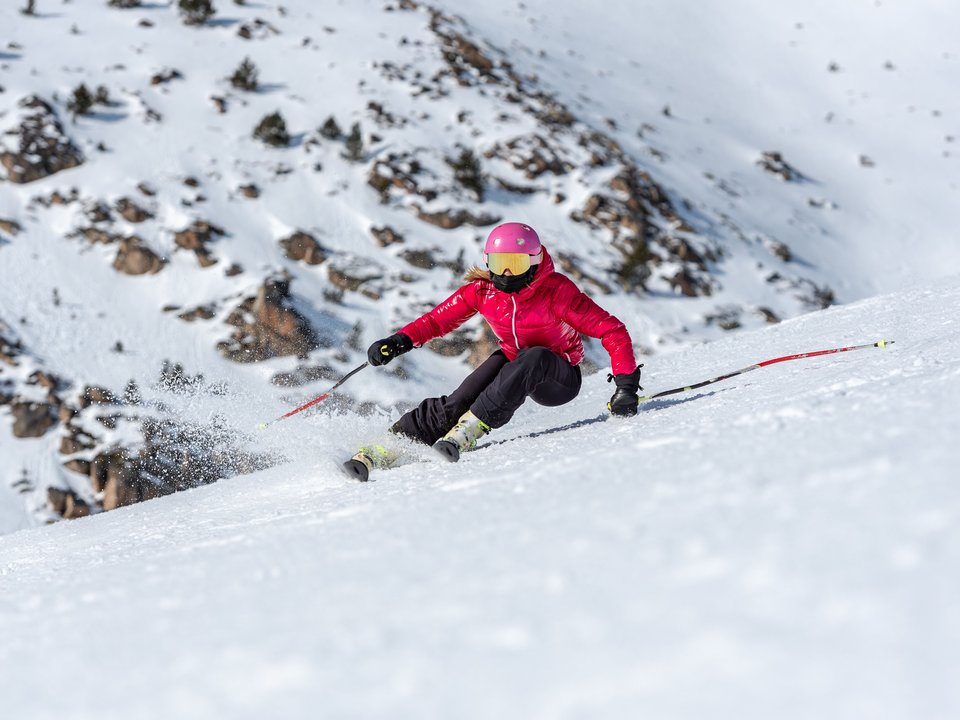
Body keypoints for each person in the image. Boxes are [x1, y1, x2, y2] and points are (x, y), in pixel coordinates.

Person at [343, 222, 643, 480]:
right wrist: (398, 342)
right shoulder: (483, 291)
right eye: (500, 264)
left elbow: (611, 330)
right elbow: (436, 320)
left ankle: (470, 429)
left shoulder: (557, 291)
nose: (509, 273)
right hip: (515, 360)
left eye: (518, 264)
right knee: (460, 398)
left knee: (535, 356)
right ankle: (389, 446)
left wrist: (626, 386)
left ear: (536, 261)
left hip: (558, 377)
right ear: (488, 263)